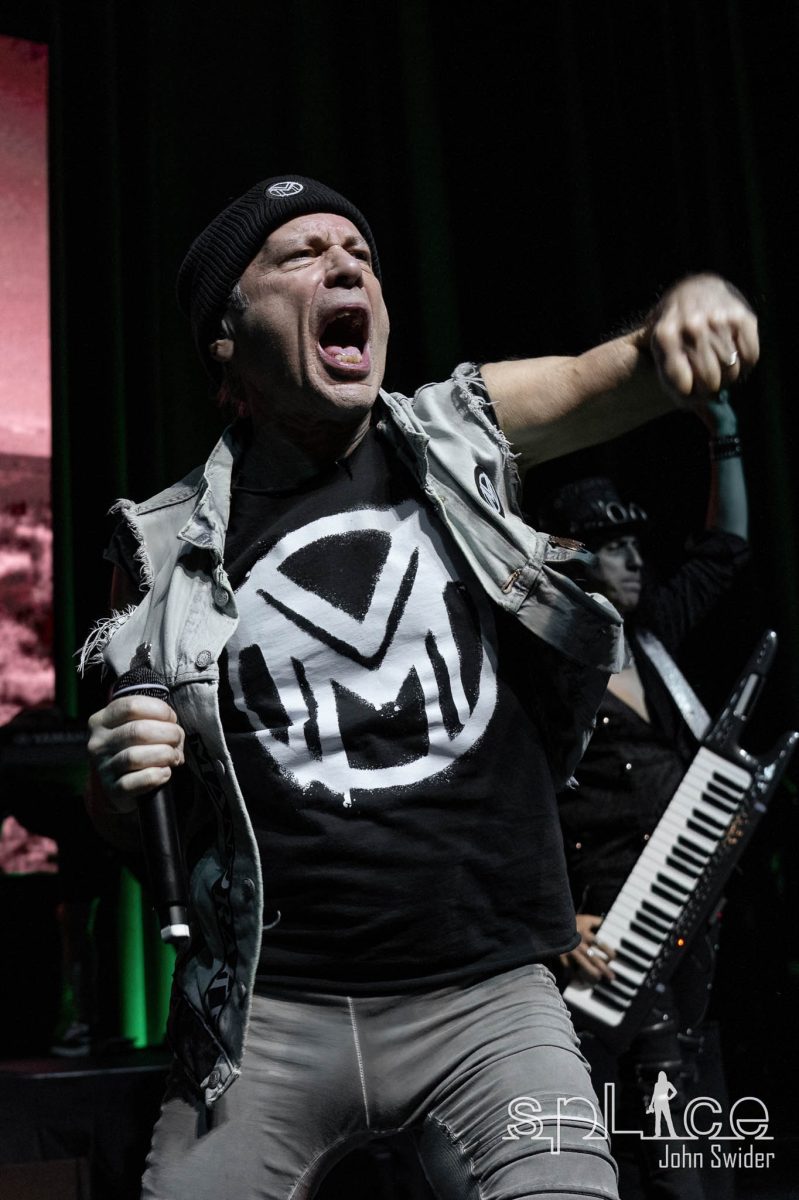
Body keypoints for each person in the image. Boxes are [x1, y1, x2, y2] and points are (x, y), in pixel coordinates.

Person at [82, 175, 758, 1200]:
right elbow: (136, 828)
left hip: (488, 1002)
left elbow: (614, 373)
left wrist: (690, 311)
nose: (344, 264)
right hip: (266, 1016)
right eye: (301, 254)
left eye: (359, 253)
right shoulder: (159, 547)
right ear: (226, 338)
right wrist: (115, 777)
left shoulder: (455, 431)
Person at [543, 391, 749, 1199]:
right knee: (638, 1152)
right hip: (606, 937)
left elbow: (724, 551)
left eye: (635, 545)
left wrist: (724, 434)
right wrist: (553, 923)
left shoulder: (653, 635)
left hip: (688, 926)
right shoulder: (547, 677)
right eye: (611, 547)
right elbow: (514, 810)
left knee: (702, 1141)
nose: (633, 560)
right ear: (575, 562)